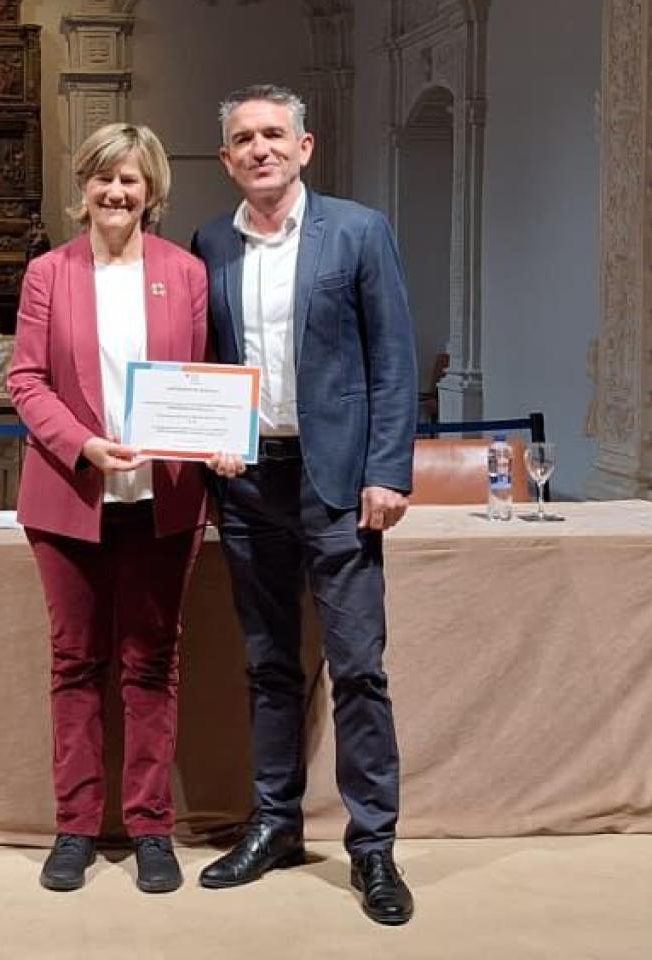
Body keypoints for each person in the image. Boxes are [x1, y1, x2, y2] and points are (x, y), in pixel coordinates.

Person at [190, 84, 418, 925]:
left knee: (358, 670)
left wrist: (388, 471)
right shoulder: (211, 242)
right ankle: (275, 824)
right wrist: (210, 439)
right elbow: (207, 361)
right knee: (269, 666)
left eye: (274, 134)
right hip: (249, 483)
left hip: (340, 485)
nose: (261, 148)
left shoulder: (358, 231)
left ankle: (374, 847)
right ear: (226, 159)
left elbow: (393, 359)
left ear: (304, 146)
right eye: (244, 138)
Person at [7, 122, 212, 894]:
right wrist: (84, 445)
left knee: (152, 662)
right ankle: (77, 826)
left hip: (164, 499)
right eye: (103, 178)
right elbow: (26, 380)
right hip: (70, 494)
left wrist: (211, 436)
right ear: (83, 186)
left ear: (151, 189)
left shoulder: (186, 272)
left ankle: (151, 827)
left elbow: (202, 378)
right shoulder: (48, 273)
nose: (116, 192)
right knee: (76, 663)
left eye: (130, 179)